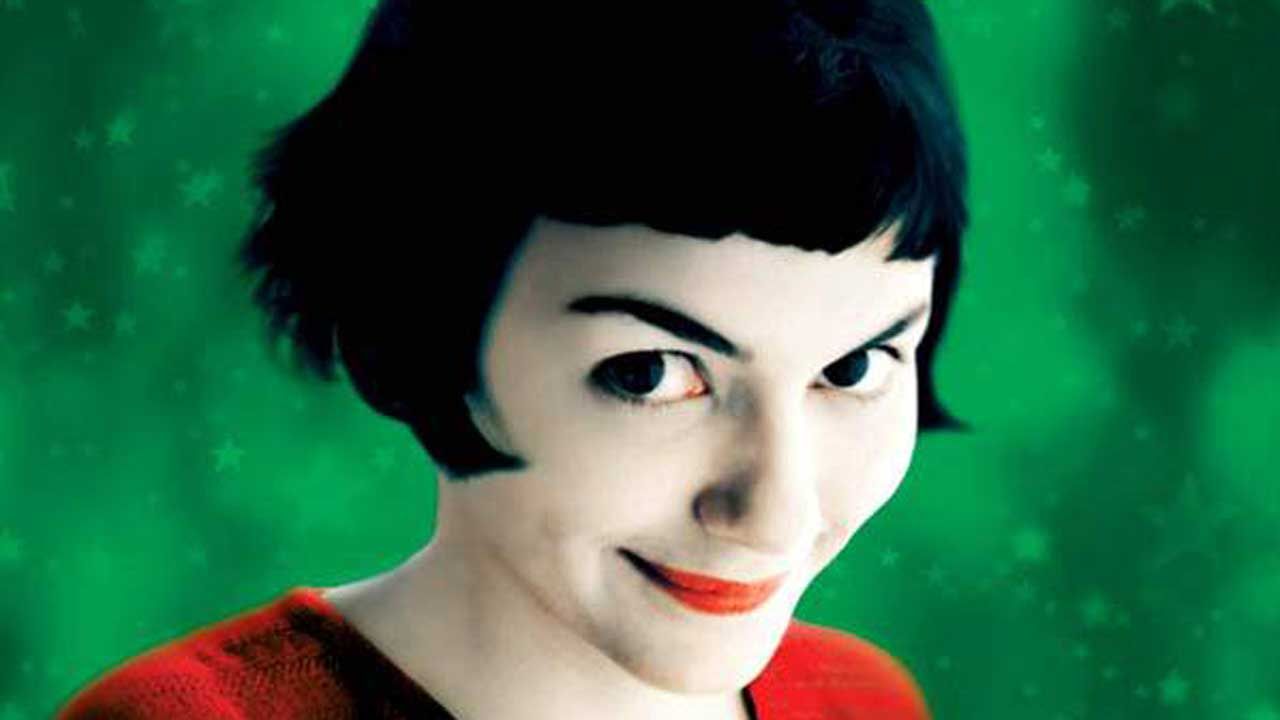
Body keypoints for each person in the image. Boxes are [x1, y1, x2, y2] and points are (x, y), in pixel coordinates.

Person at [56, 0, 969, 718]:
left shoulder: (860, 700)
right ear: (425, 327)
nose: (775, 516)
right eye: (649, 372)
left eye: (856, 368)